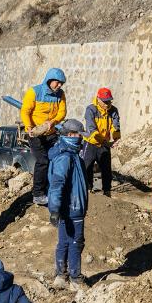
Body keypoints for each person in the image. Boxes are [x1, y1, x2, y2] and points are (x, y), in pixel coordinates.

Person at [48, 120, 89, 288]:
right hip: (72, 208)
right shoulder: (65, 157)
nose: (81, 138)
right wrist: (54, 209)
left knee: (64, 242)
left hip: (69, 208)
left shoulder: (71, 154)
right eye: (79, 135)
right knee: (75, 242)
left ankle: (61, 276)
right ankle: (75, 279)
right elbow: (57, 184)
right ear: (71, 135)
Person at [21, 68, 67, 206]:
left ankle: (53, 188)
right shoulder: (34, 92)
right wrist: (29, 127)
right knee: (42, 161)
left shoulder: (60, 94)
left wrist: (53, 122)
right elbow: (25, 111)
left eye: (62, 83)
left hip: (51, 133)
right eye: (58, 82)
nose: (60, 85)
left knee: (57, 158)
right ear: (49, 80)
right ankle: (38, 194)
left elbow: (62, 112)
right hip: (35, 134)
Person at [81, 87, 120, 197]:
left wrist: (116, 138)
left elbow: (115, 126)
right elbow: (92, 129)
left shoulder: (113, 110)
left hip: (104, 143)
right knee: (87, 167)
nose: (107, 104)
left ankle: (107, 191)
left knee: (106, 169)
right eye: (104, 101)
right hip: (91, 142)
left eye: (109, 101)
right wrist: (105, 142)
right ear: (98, 99)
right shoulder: (91, 109)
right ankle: (88, 189)